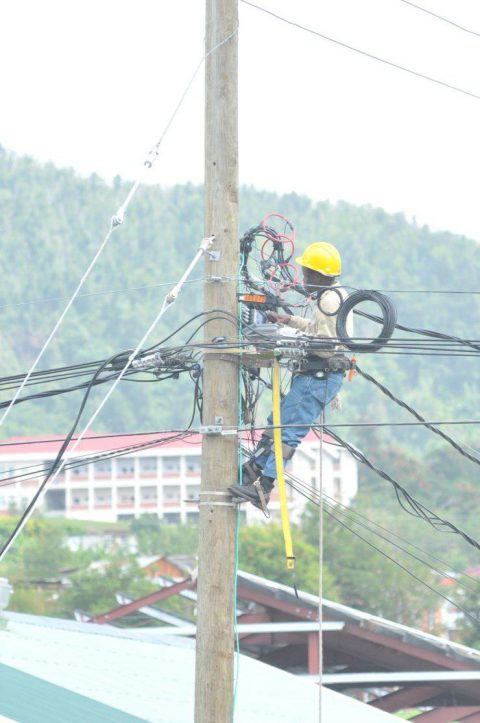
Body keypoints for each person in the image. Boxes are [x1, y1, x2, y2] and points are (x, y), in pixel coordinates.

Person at [229, 241, 353, 509]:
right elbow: (319, 329)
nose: (305, 279)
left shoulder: (330, 299)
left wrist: (289, 340)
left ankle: (264, 486)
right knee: (277, 422)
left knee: (286, 432)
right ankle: (254, 469)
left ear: (320, 275)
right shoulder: (334, 295)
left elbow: (326, 346)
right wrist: (289, 322)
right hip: (316, 376)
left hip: (318, 376)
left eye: (308, 274)